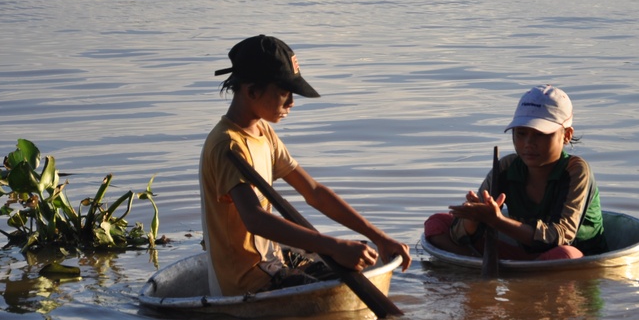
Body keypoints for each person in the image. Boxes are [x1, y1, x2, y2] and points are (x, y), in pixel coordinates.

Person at [200, 35, 411, 297]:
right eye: (284, 94)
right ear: (252, 91)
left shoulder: (262, 131)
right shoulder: (228, 145)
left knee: (356, 271)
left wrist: (378, 237)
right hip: (247, 283)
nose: (291, 104)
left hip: (272, 266)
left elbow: (314, 192)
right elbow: (255, 219)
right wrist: (334, 246)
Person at [424, 85, 606, 261]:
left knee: (566, 254)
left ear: (566, 135)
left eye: (540, 135)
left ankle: (508, 274)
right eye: (521, 134)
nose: (528, 143)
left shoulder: (575, 170)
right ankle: (482, 267)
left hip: (567, 257)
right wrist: (473, 219)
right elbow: (459, 233)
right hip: (526, 256)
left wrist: (497, 221)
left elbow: (558, 236)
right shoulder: (507, 167)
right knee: (436, 223)